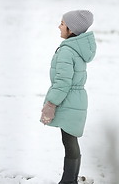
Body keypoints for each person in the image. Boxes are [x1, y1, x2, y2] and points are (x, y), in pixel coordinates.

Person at [40, 10, 96, 184]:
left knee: (69, 141)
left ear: (71, 29)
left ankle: (68, 181)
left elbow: (63, 82)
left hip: (68, 100)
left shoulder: (67, 51)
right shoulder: (77, 49)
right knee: (71, 140)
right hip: (77, 99)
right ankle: (70, 179)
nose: (59, 26)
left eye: (62, 24)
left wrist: (51, 103)